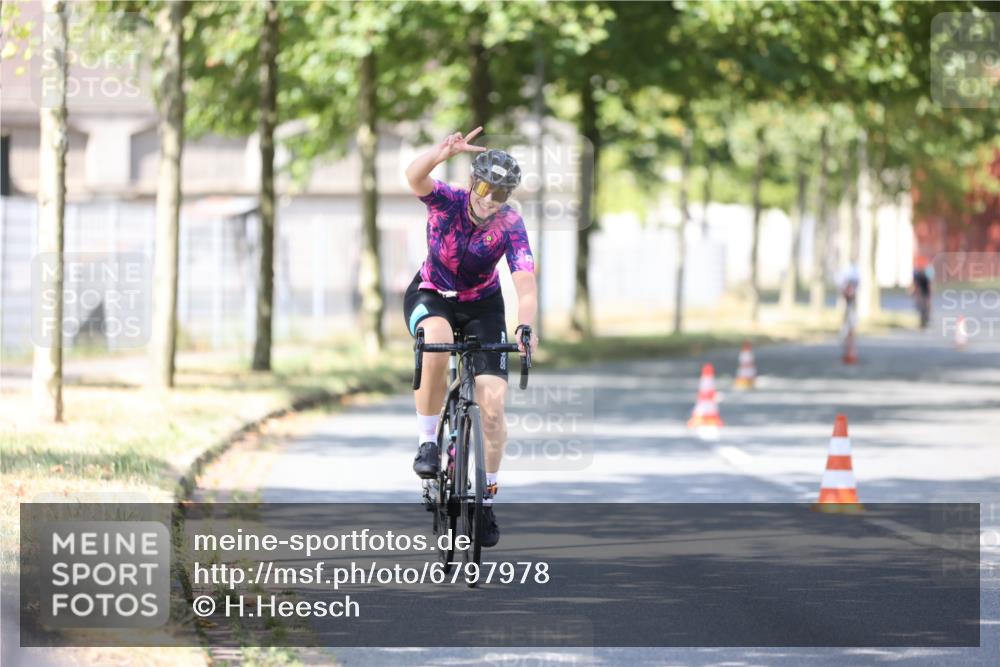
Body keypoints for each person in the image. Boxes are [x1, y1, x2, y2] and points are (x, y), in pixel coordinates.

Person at [402, 127, 539, 548]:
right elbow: (413, 177)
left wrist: (525, 325)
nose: (487, 199)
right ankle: (428, 444)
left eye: (499, 194)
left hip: (483, 305)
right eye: (482, 187)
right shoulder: (447, 200)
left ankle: (486, 497)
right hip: (432, 294)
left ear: (507, 197)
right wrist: (439, 153)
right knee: (437, 340)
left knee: (493, 407)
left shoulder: (510, 223)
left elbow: (526, 283)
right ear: (470, 182)